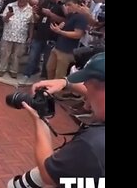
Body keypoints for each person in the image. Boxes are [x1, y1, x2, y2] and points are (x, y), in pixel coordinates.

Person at [7, 52, 105, 188]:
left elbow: (47, 174)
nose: (86, 97)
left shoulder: (92, 144)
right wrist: (65, 83)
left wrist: (40, 121)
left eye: (88, 86)